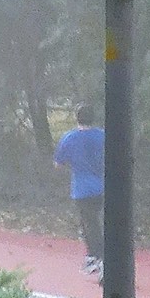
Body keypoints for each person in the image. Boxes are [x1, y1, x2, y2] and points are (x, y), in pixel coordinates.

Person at [54, 104, 105, 272]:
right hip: (102, 187)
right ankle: (98, 257)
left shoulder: (69, 138)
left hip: (82, 189)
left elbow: (58, 164)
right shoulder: (103, 136)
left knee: (89, 224)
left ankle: (97, 258)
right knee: (97, 222)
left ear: (77, 117)